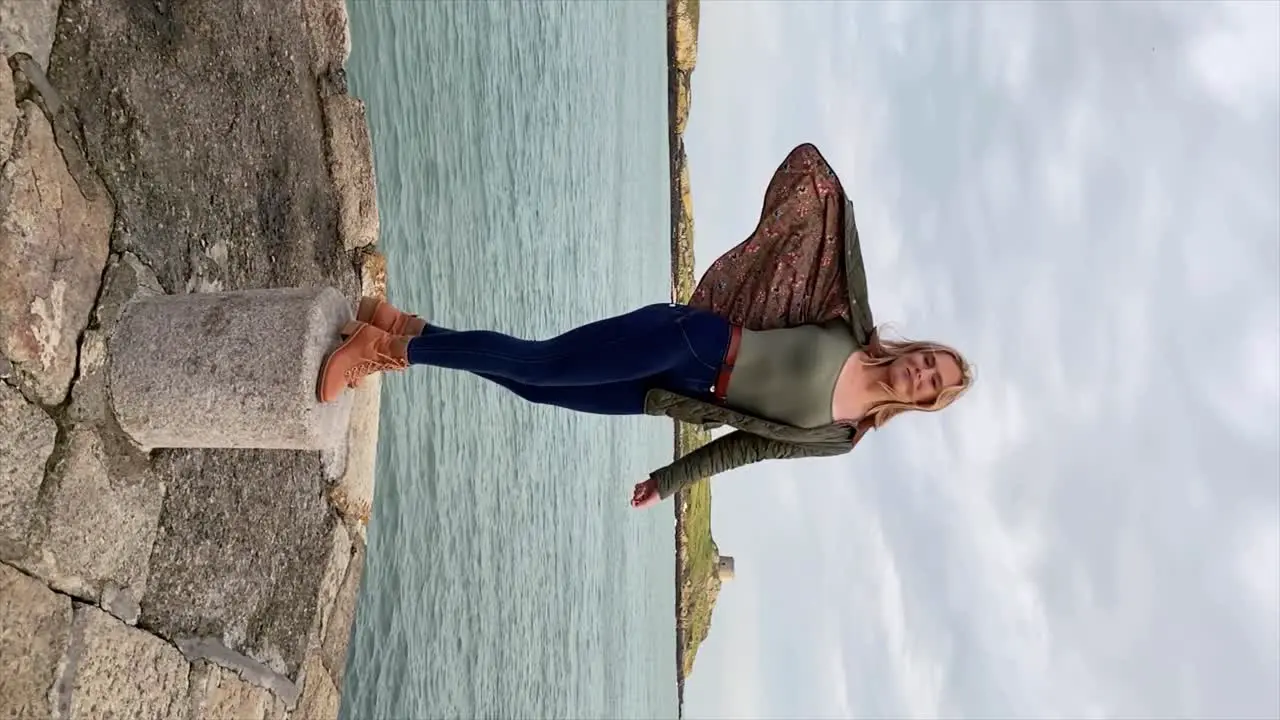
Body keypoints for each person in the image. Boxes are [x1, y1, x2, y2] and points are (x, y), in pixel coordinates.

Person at [316, 143, 973, 509]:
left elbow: (751, 446)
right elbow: (828, 210)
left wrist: (669, 480)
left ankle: (405, 327)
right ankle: (384, 348)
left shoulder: (842, 438)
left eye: (931, 384)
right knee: (539, 363)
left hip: (674, 395)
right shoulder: (848, 324)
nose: (922, 373)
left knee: (535, 385)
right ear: (920, 351)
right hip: (691, 339)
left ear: (923, 401)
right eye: (931, 360)